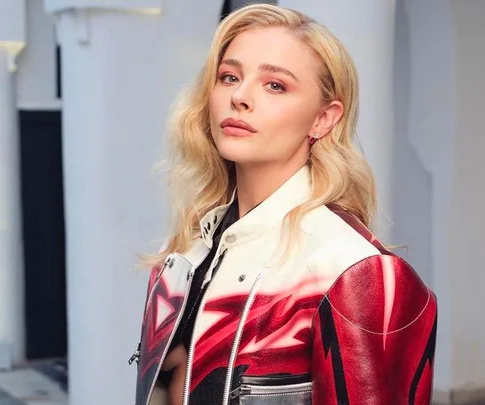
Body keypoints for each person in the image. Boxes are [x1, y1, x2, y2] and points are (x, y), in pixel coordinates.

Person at [131, 4, 437, 405]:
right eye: (229, 77)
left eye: (275, 85)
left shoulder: (354, 273)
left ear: (323, 119)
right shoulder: (182, 259)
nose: (239, 96)